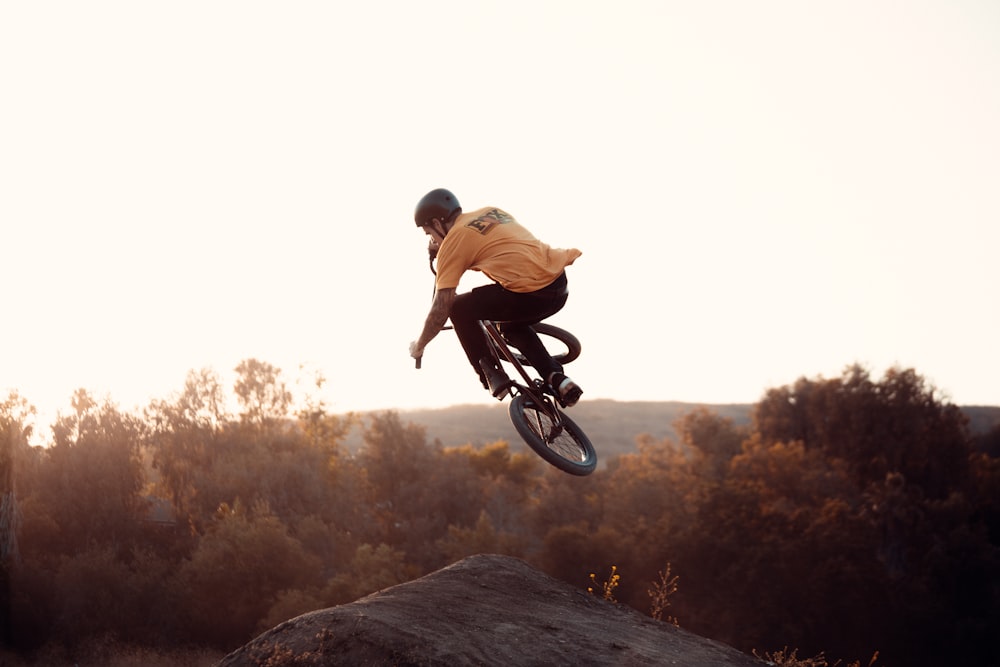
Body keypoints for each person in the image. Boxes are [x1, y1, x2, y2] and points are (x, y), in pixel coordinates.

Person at [408, 188, 584, 407]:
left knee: (458, 309)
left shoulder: (454, 242)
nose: (432, 239)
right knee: (510, 326)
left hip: (531, 294)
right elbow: (499, 249)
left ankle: (492, 375)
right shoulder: (490, 212)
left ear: (436, 222)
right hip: (558, 284)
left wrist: (420, 345)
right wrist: (443, 251)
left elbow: (440, 309)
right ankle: (558, 379)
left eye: (429, 233)